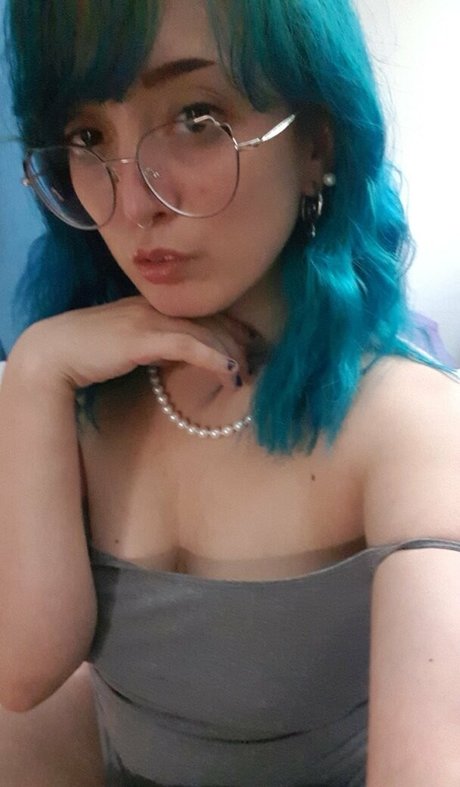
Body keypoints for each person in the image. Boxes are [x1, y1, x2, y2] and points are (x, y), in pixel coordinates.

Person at [1, 1, 459, 785]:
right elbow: (25, 675)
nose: (134, 202)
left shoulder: (407, 427)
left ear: (317, 142)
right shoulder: (79, 388)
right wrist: (35, 369)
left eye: (197, 118)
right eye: (88, 137)